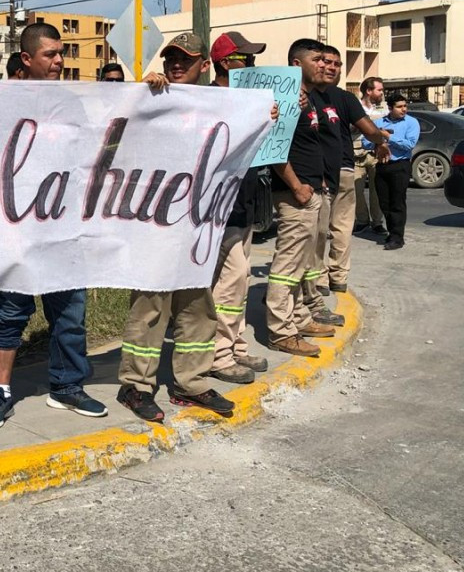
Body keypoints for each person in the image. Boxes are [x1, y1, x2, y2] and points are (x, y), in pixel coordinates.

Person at [0, 22, 108, 431]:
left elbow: (88, 152)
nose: (59, 61)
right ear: (27, 59)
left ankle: (66, 386)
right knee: (9, 312)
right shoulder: (1, 105)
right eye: (50, 54)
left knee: (70, 310)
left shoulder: (71, 103)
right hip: (16, 227)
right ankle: (1, 392)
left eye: (61, 52)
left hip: (62, 226)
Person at [114, 32, 235, 423]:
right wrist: (140, 94)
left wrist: (268, 115)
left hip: (196, 225)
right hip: (152, 222)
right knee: (150, 308)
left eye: (185, 59)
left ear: (205, 65)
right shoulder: (152, 99)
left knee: (198, 307)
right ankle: (136, 385)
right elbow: (114, 131)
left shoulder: (219, 104)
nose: (175, 65)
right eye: (170, 59)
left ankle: (191, 382)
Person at [264, 39, 340, 357]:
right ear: (297, 64)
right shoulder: (284, 97)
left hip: (310, 191)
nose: (325, 65)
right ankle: (281, 332)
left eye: (327, 60)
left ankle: (298, 319)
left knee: (299, 265)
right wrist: (296, 186)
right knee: (287, 265)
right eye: (318, 59)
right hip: (295, 195)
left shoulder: (310, 98)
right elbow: (274, 146)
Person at [206, 31, 270, 384]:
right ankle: (219, 355)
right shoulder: (211, 99)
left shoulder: (248, 99)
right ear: (226, 63)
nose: (252, 64)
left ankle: (237, 348)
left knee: (241, 280)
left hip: (244, 203)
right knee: (229, 281)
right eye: (245, 58)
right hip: (221, 206)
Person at [316, 48, 390, 294]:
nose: (332, 67)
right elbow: (370, 131)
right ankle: (322, 278)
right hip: (315, 173)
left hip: (343, 169)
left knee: (339, 228)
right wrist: (381, 140)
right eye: (327, 62)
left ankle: (335, 277)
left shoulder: (345, 98)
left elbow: (369, 129)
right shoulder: (305, 95)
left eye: (337, 63)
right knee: (321, 228)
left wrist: (379, 139)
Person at [364, 93, 417, 250]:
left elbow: (409, 144)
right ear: (390, 107)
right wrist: (380, 144)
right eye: (399, 107)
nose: (403, 110)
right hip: (382, 165)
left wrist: (388, 138)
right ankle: (392, 231)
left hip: (400, 165)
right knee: (384, 202)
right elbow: (366, 141)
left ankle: (397, 237)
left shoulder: (411, 123)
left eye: (405, 106)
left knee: (397, 202)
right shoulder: (379, 122)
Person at [355, 77, 388, 235]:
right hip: (356, 153)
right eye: (379, 90)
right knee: (355, 190)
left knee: (378, 190)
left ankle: (377, 222)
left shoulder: (383, 108)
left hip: (376, 152)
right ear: (369, 91)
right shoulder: (355, 106)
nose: (382, 93)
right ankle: (362, 220)